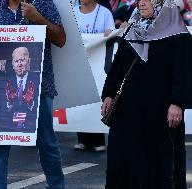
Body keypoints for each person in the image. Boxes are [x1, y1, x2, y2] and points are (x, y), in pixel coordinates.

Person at [101, 0, 192, 188]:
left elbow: (183, 70)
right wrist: (109, 94)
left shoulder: (176, 31)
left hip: (160, 113)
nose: (141, 3)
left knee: (159, 166)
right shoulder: (133, 27)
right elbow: (118, 66)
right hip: (127, 112)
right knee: (122, 162)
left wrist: (177, 103)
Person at [0, 0, 66, 188]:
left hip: (40, 88)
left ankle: (57, 186)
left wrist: (37, 18)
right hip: (2, 90)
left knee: (46, 144)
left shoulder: (43, 4)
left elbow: (61, 39)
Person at [73, 0, 115, 152]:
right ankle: (82, 138)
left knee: (97, 99)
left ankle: (98, 139)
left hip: (98, 65)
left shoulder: (104, 13)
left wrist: (108, 34)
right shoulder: (73, 12)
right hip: (78, 63)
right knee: (80, 99)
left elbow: (111, 34)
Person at [5, 47, 39, 133]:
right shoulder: (6, 82)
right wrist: (9, 103)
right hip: (9, 126)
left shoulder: (38, 80)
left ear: (29, 61)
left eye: (22, 60)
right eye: (16, 61)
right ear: (13, 64)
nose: (19, 64)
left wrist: (31, 104)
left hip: (32, 127)